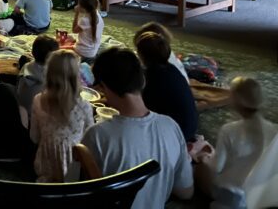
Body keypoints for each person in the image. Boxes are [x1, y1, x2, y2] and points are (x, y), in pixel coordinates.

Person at [81, 48, 194, 208]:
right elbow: (186, 192)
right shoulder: (171, 126)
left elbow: (79, 192)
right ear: (142, 80)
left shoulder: (97, 136)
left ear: (103, 88)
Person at [207, 77, 278, 209]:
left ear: (235, 101)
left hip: (231, 196)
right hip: (259, 195)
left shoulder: (229, 130)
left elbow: (217, 167)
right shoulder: (276, 131)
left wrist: (206, 159)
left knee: (201, 169)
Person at [30, 49, 94, 182]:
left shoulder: (37, 100)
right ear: (75, 76)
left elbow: (34, 137)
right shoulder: (84, 107)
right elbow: (90, 143)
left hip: (44, 167)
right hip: (74, 170)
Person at [135, 31, 198, 143]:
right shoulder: (172, 69)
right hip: (190, 128)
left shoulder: (151, 77)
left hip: (177, 135)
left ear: (141, 54)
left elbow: (142, 111)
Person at [17, 34, 60, 125]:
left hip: (21, 114)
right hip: (38, 122)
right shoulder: (55, 76)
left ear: (32, 52)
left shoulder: (26, 67)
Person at [72, 0, 104, 64]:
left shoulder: (85, 20)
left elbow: (74, 30)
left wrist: (77, 13)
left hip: (83, 53)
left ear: (83, 8)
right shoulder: (98, 15)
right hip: (93, 52)